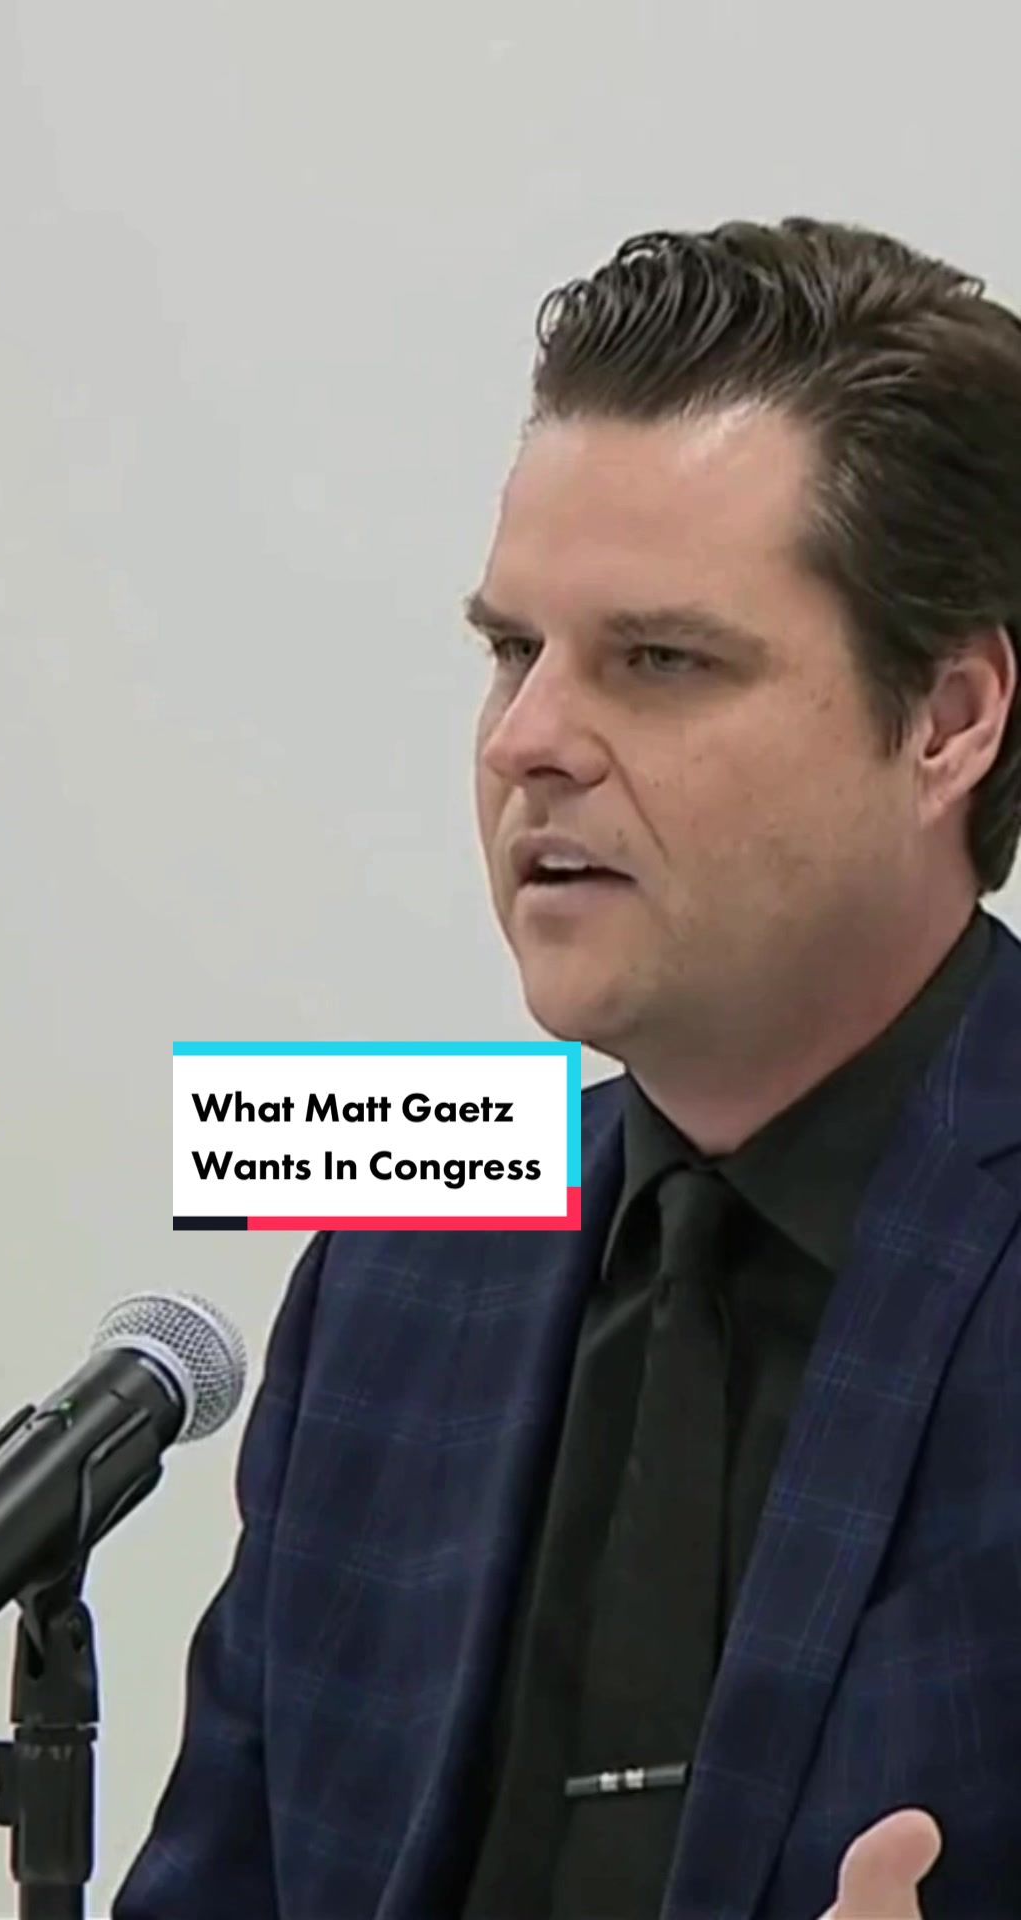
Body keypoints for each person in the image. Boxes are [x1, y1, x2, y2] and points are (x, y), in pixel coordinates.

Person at [113, 218, 1021, 1919]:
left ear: (948, 720)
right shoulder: (402, 1250)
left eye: (660, 661)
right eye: (511, 652)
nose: (528, 741)